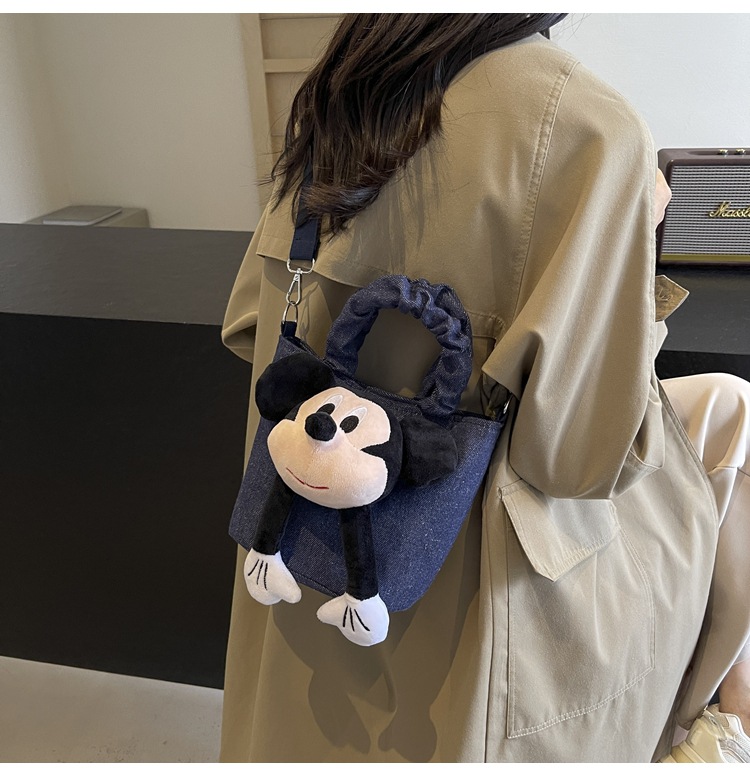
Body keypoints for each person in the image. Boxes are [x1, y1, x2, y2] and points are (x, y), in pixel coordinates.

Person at [219, 14, 750, 762]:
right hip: (466, 626)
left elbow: (248, 324)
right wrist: (635, 263)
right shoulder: (592, 130)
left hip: (293, 567)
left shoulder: (343, 87)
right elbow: (579, 461)